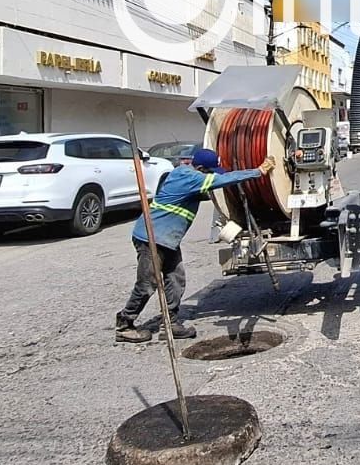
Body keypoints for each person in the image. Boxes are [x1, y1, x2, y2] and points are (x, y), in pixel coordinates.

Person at [116, 147, 274, 344]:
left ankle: (170, 324)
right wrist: (258, 171)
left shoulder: (187, 177)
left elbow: (208, 189)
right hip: (152, 237)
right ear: (200, 168)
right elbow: (223, 180)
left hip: (168, 240)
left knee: (175, 280)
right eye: (210, 172)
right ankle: (125, 324)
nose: (212, 175)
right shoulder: (189, 177)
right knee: (148, 283)